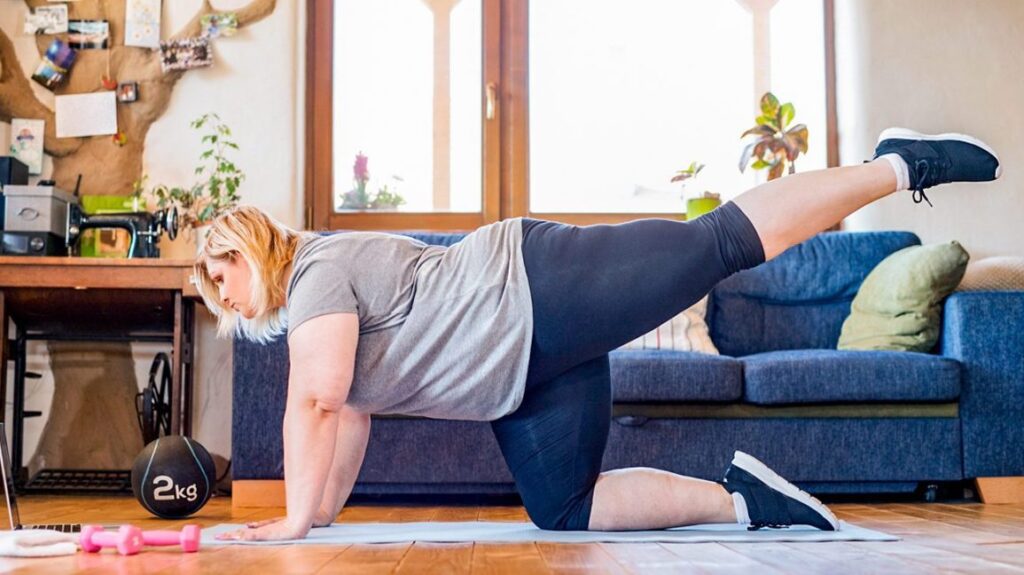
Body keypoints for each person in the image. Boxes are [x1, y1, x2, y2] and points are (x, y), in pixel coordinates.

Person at [199, 128, 1001, 541]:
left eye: (221, 283)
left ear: (238, 250)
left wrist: (295, 520)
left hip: (538, 287)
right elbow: (349, 413)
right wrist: (323, 514)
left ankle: (896, 166)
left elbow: (316, 399)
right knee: (567, 511)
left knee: (717, 243)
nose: (228, 302)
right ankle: (743, 502)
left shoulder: (314, 273)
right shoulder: (319, 297)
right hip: (523, 373)